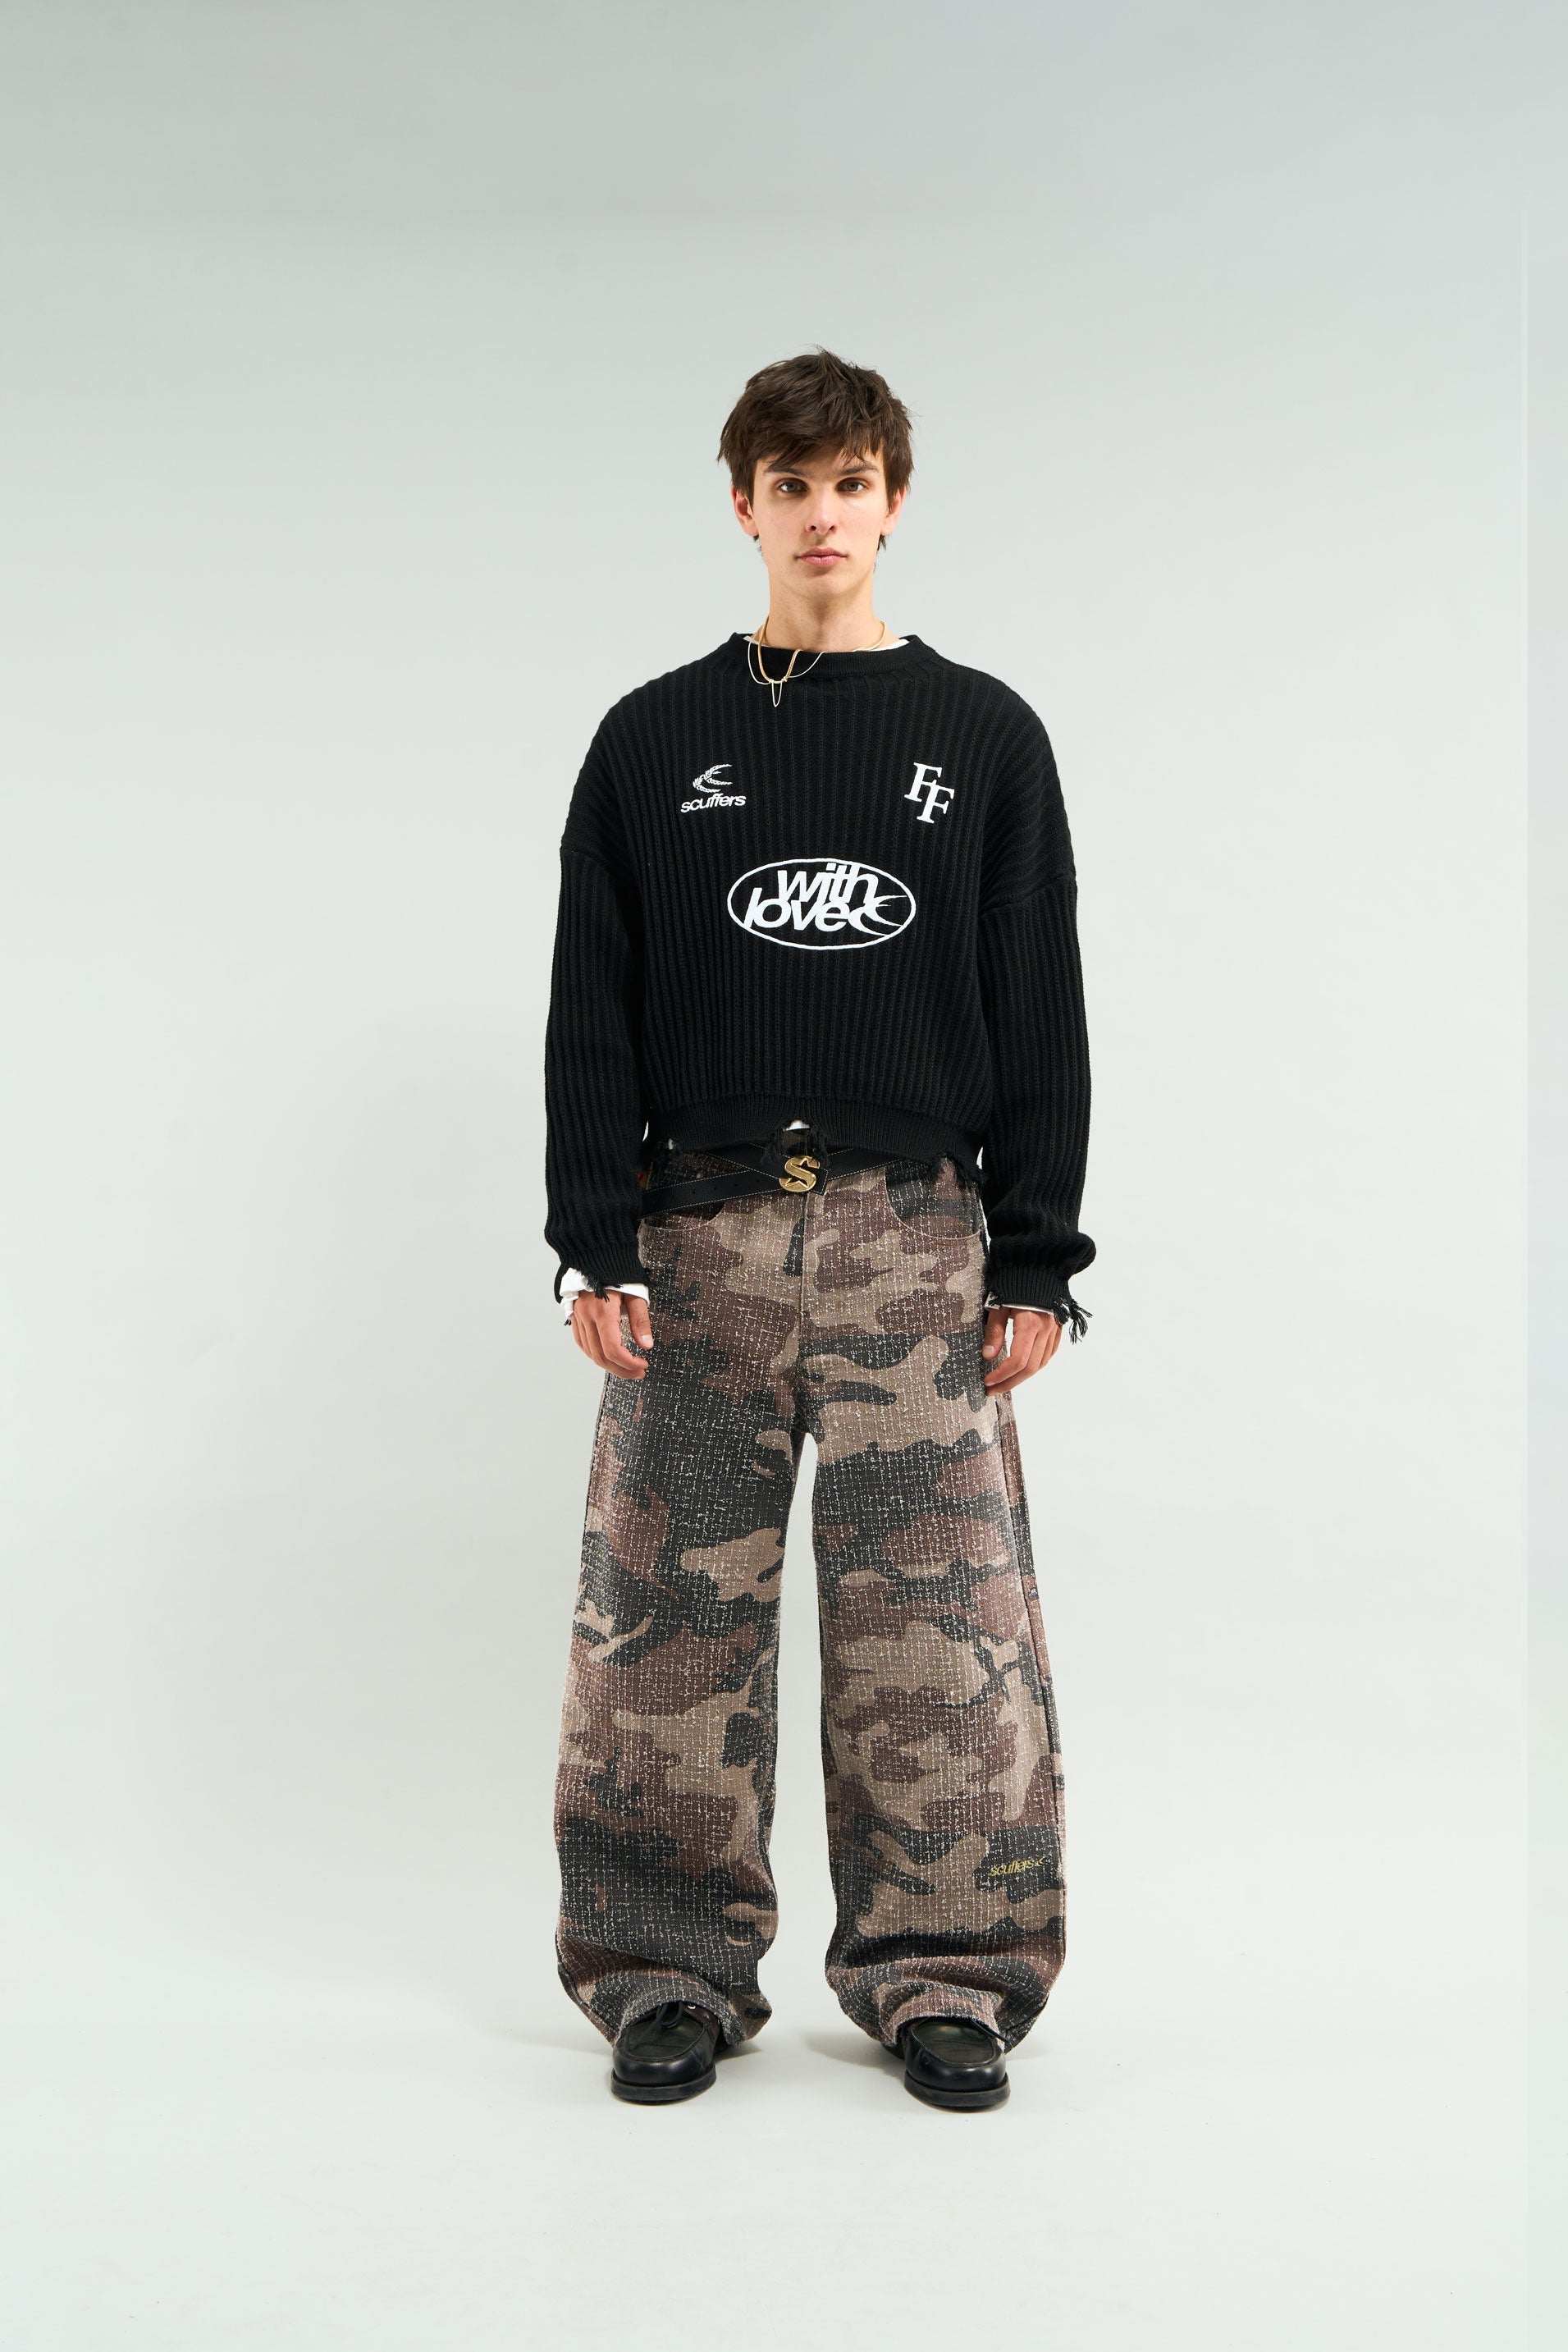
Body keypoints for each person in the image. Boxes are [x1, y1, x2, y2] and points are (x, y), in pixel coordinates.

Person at [542, 347, 1095, 2111]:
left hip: (913, 1243)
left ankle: (948, 1973)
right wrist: (592, 1236)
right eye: (791, 485)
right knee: (663, 1623)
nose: (823, 513)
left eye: (851, 481)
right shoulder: (651, 738)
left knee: (940, 1626)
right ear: (744, 507)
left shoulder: (985, 736)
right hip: (696, 1238)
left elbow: (1037, 1003)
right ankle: (665, 1970)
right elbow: (593, 999)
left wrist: (1036, 1255)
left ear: (894, 500)